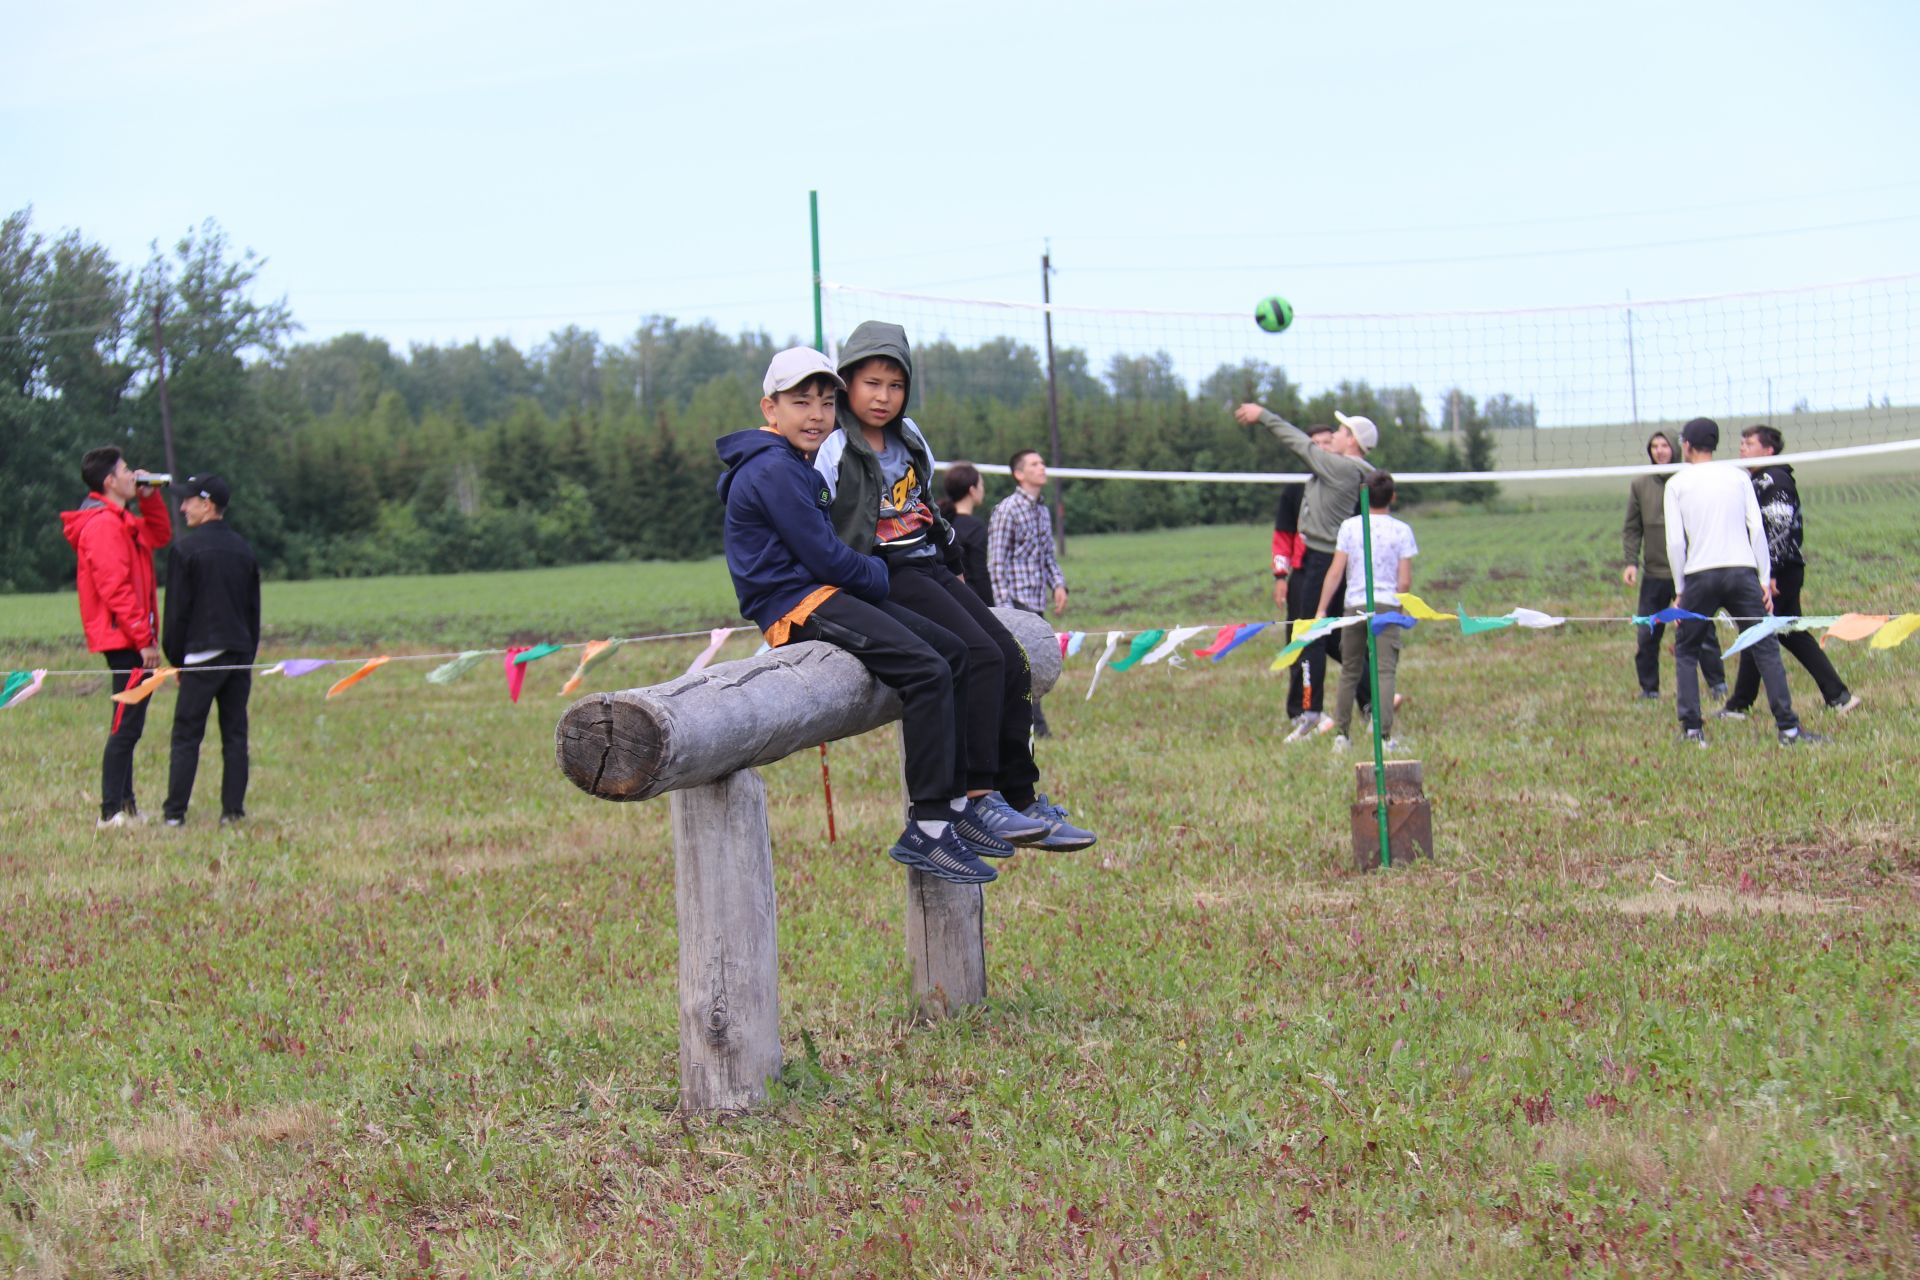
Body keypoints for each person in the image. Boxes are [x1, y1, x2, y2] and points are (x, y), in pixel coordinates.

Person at [717, 346, 996, 885]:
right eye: (801, 402)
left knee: (955, 652)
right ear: (770, 408)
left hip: (826, 591)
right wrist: (879, 575)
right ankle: (928, 826)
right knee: (927, 668)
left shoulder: (794, 463)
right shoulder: (773, 469)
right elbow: (822, 555)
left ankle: (958, 805)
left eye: (826, 402)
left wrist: (867, 574)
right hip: (796, 605)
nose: (817, 414)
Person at [820, 323, 1093, 851]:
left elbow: (922, 504)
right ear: (847, 382)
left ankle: (1020, 798)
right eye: (872, 383)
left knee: (1012, 658)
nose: (883, 397)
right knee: (976, 657)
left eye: (895, 386)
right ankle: (977, 797)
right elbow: (818, 520)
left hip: (927, 563)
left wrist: (951, 555)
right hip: (883, 572)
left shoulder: (909, 435)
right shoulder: (833, 445)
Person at [1663, 417, 1820, 747]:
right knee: (1765, 647)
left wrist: (1680, 590)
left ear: (1687, 445)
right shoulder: (1738, 477)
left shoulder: (1676, 483)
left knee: (1687, 651)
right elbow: (1757, 530)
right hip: (1742, 572)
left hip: (1700, 575)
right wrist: (1763, 578)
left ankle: (1692, 730)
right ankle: (1788, 729)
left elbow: (1676, 543)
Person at [1235, 402, 1376, 739]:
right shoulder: (1350, 468)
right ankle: (1375, 704)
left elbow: (1298, 443)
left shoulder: (1341, 468)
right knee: (1339, 639)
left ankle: (1309, 712)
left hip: (1319, 562)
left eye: (1340, 433)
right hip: (1332, 561)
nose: (1334, 437)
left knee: (1311, 635)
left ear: (1353, 441)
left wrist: (1264, 415)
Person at [61, 447, 174, 828]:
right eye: (127, 471)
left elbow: (159, 534)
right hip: (124, 637)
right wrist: (144, 638)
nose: (133, 474)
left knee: (130, 722)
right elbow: (115, 588)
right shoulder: (104, 525)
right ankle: (111, 812)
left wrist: (150, 496)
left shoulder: (121, 519)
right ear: (109, 481)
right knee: (124, 724)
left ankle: (126, 805)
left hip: (132, 635)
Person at [1719, 424, 1861, 720]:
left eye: (1749, 443)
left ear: (1768, 450)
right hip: (1780, 570)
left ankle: (1739, 705)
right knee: (1784, 633)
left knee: (1757, 631)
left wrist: (1769, 574)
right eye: (1741, 443)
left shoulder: (1773, 478)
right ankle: (1838, 696)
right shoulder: (1759, 479)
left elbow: (1779, 530)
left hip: (1778, 572)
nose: (1742, 448)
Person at [160, 474, 261, 827]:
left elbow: (176, 614)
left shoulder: (185, 550)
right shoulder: (244, 549)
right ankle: (233, 813)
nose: (183, 506)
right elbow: (254, 612)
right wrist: (247, 655)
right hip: (238, 653)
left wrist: (176, 661)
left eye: (189, 500)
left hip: (200, 657)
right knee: (235, 735)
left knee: (186, 735)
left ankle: (175, 814)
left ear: (208, 505)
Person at [1313, 471, 1417, 750]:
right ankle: (1383, 737)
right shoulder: (1402, 530)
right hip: (1387, 605)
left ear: (1363, 497)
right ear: (1392, 496)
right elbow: (1404, 579)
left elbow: (1336, 572)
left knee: (1350, 670)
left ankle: (1342, 735)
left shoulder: (1349, 528)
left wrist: (1322, 609)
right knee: (1385, 671)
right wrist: (1402, 609)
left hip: (1354, 606)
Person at [1622, 430, 1726, 700]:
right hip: (1655, 574)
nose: (1659, 450)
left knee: (1702, 631)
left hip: (1690, 572)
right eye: (1654, 446)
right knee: (1647, 634)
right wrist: (1631, 562)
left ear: (1675, 449)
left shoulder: (1689, 480)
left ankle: (1718, 685)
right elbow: (1632, 528)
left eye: (1664, 445)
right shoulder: (1640, 485)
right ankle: (1649, 689)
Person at [986, 447, 1069, 739]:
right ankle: (1034, 730)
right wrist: (1005, 611)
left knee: (1035, 664)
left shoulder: (1042, 510)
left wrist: (1058, 584)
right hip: (1016, 602)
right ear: (1019, 474)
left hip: (1036, 599)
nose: (1042, 467)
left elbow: (1047, 555)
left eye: (1043, 462)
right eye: (1035, 464)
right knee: (1022, 668)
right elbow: (997, 562)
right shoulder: (1007, 509)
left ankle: (1032, 728)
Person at [938, 462, 993, 607]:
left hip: (942, 596)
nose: (983, 490)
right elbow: (979, 574)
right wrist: (991, 608)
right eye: (981, 485)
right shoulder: (975, 528)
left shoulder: (940, 522)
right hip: (969, 599)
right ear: (972, 490)